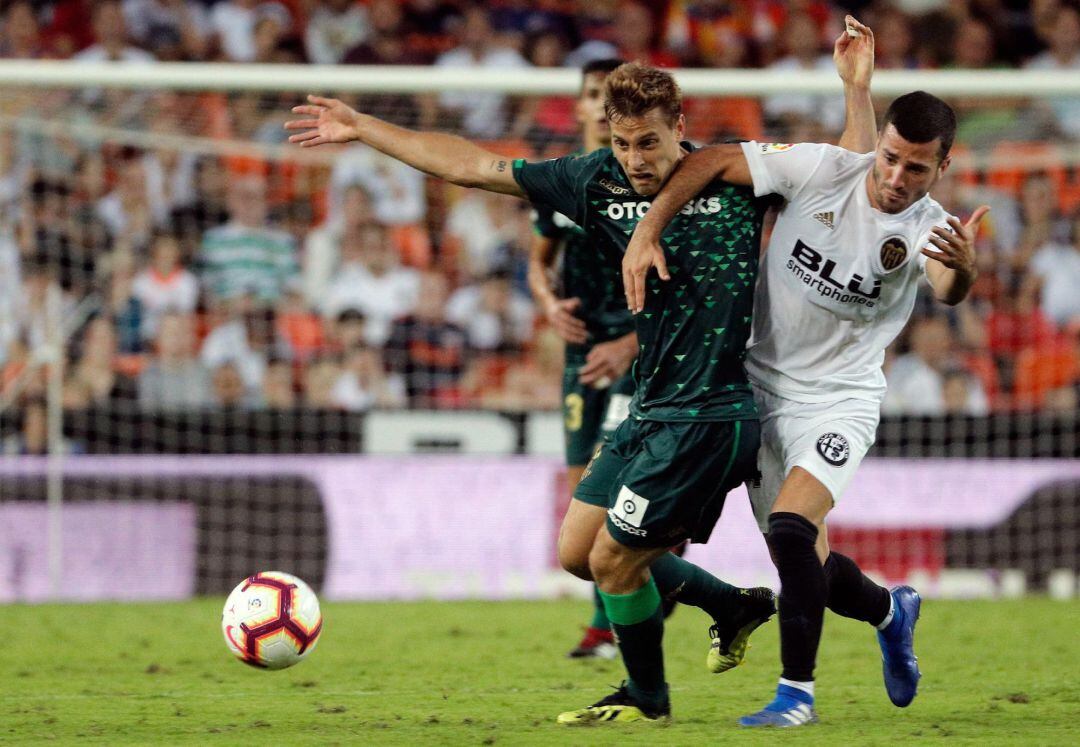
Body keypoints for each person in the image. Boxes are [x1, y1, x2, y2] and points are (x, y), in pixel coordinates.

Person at [284, 22, 873, 723]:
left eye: (649, 142)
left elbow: (849, 169)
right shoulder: (592, 180)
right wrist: (364, 127)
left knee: (615, 562)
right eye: (622, 143)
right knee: (575, 552)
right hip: (651, 409)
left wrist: (856, 90)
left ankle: (647, 697)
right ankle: (728, 601)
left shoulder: (736, 172)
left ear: (678, 127)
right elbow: (473, 166)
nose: (634, 159)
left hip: (711, 414)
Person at [624, 84, 987, 726]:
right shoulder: (819, 168)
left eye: (916, 168)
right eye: (890, 158)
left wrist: (964, 269)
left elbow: (949, 288)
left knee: (793, 529)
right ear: (879, 144)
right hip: (755, 391)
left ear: (942, 168)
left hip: (837, 402)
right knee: (806, 562)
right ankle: (889, 611)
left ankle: (797, 695)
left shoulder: (928, 227)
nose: (897, 177)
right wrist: (648, 229)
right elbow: (711, 159)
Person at [526, 57, 636, 659]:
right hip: (581, 350)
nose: (601, 105)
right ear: (579, 106)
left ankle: (616, 623)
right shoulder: (562, 181)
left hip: (643, 349)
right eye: (593, 94)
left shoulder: (647, 176)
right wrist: (546, 301)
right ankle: (609, 620)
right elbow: (537, 260)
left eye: (610, 95)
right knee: (581, 490)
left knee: (620, 481)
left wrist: (629, 344)